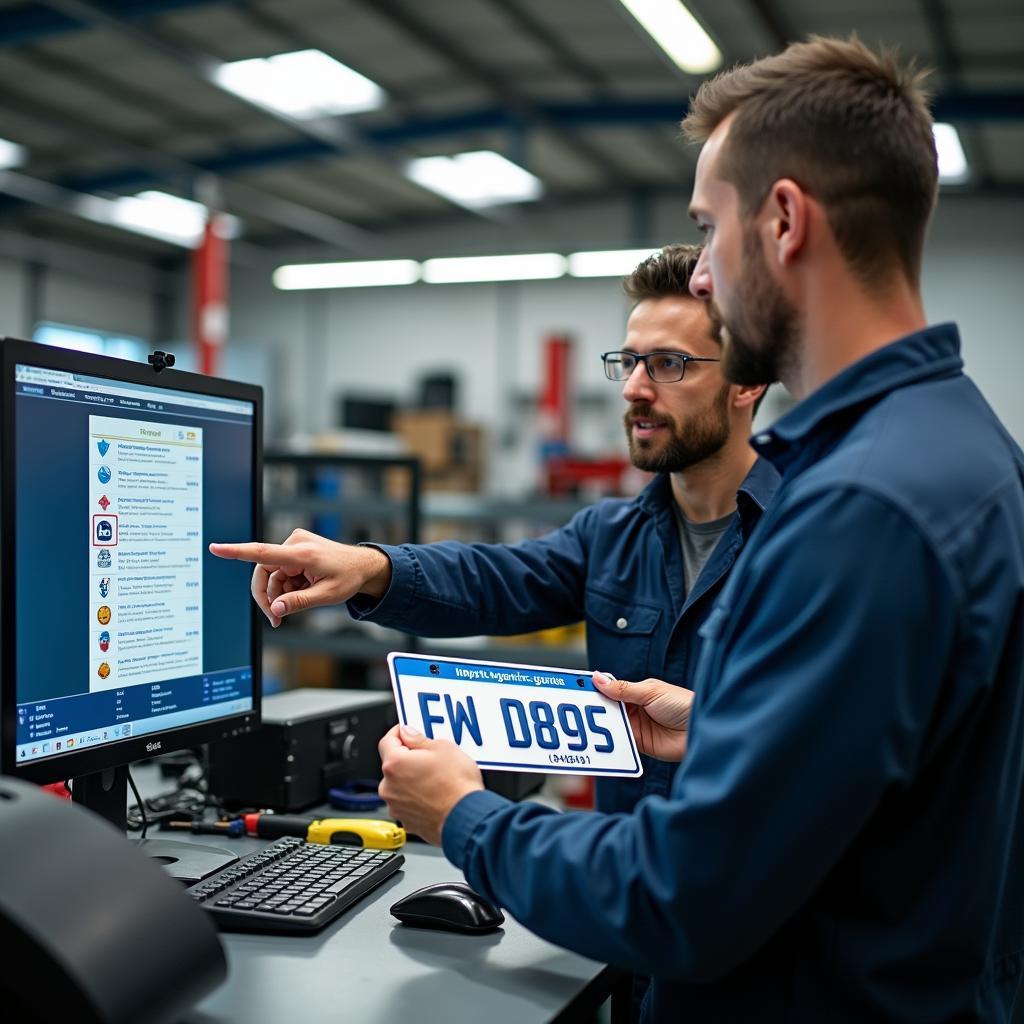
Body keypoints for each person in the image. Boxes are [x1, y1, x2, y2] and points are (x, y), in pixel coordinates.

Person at [216, 36, 1024, 1020]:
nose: (699, 278)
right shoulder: (951, 444)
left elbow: (687, 895)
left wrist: (465, 816)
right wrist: (374, 565)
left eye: (707, 228)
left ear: (781, 221)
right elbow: (875, 769)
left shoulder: (859, 509)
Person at [212, 242, 776, 824]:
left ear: (746, 382)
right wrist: (370, 567)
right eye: (628, 361)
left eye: (668, 363)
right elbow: (494, 580)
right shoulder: (612, 534)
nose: (634, 387)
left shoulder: (810, 537)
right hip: (625, 872)